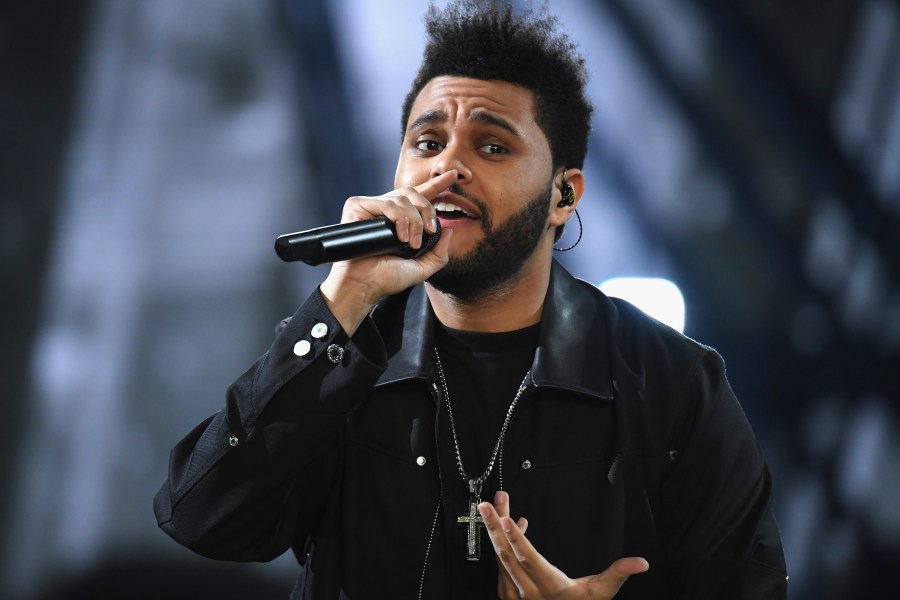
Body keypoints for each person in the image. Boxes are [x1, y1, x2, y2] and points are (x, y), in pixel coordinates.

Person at [154, 1, 788, 598]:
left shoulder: (675, 387)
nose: (446, 169)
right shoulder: (340, 361)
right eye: (427, 144)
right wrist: (342, 300)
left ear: (562, 198)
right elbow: (201, 517)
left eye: (492, 146)